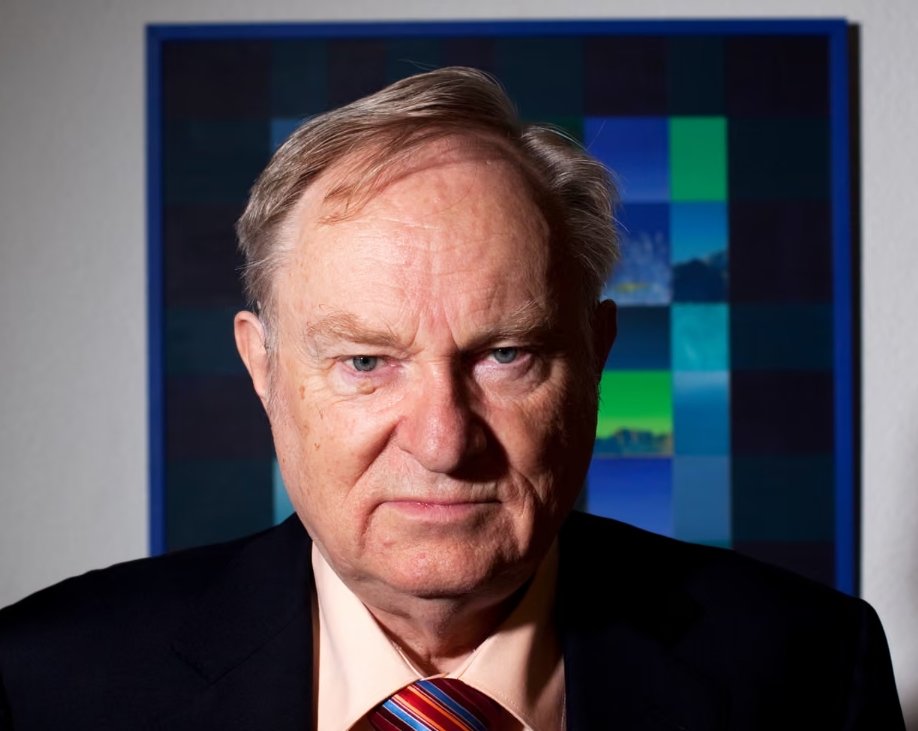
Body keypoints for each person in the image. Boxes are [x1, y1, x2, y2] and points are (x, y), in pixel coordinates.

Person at [0, 66, 905, 730]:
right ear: (263, 369)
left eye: (506, 354)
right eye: (366, 361)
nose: (442, 441)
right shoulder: (45, 683)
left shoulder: (813, 672)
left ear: (595, 357)